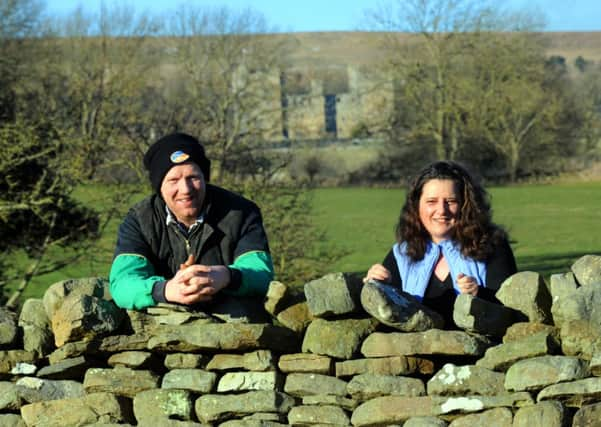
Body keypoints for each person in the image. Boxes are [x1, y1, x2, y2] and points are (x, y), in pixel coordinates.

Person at [109, 132, 274, 314]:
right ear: (159, 187)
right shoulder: (139, 220)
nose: (185, 189)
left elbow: (261, 274)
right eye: (173, 180)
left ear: (205, 178)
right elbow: (122, 283)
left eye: (193, 177)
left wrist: (225, 276)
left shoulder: (242, 212)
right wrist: (166, 289)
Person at [364, 161, 517, 327]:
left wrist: (479, 294)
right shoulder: (402, 254)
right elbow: (384, 313)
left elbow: (511, 309)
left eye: (451, 201)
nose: (442, 210)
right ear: (416, 206)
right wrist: (375, 284)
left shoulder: (493, 247)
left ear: (466, 205)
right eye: (431, 201)